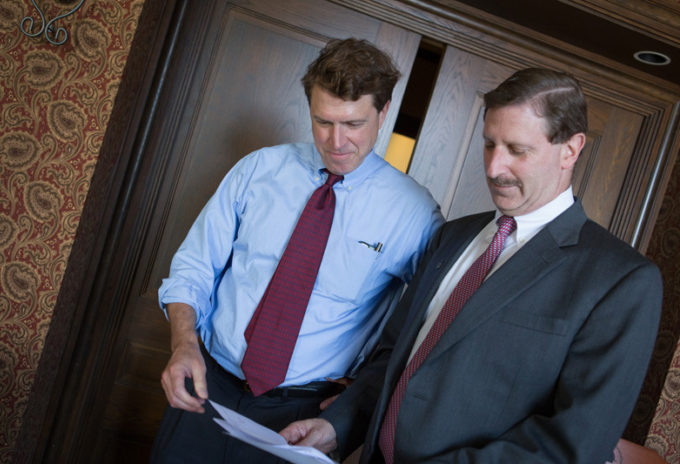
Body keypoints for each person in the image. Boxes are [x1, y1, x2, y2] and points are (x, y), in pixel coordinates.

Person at [281, 68, 663, 463]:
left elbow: (573, 444)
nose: (494, 168)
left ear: (570, 149)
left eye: (517, 150)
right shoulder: (453, 236)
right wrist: (337, 426)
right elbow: (395, 355)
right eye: (489, 144)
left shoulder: (622, 280)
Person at [150, 38, 443, 463]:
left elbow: (424, 327)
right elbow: (193, 266)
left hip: (301, 418)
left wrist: (357, 402)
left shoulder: (414, 215)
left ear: (383, 113)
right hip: (206, 386)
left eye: (354, 124)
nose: (337, 140)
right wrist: (183, 344)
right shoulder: (259, 170)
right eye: (323, 122)